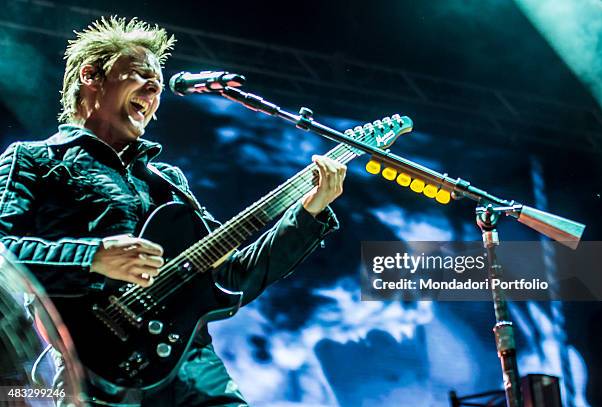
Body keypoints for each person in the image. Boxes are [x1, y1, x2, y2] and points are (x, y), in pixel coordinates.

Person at [0, 17, 346, 406]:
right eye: (142, 74)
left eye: (159, 85)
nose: (154, 89)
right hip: (86, 369)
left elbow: (232, 274)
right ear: (91, 76)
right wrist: (92, 257)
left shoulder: (168, 180)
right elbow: (3, 258)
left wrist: (308, 213)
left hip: (192, 369)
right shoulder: (36, 160)